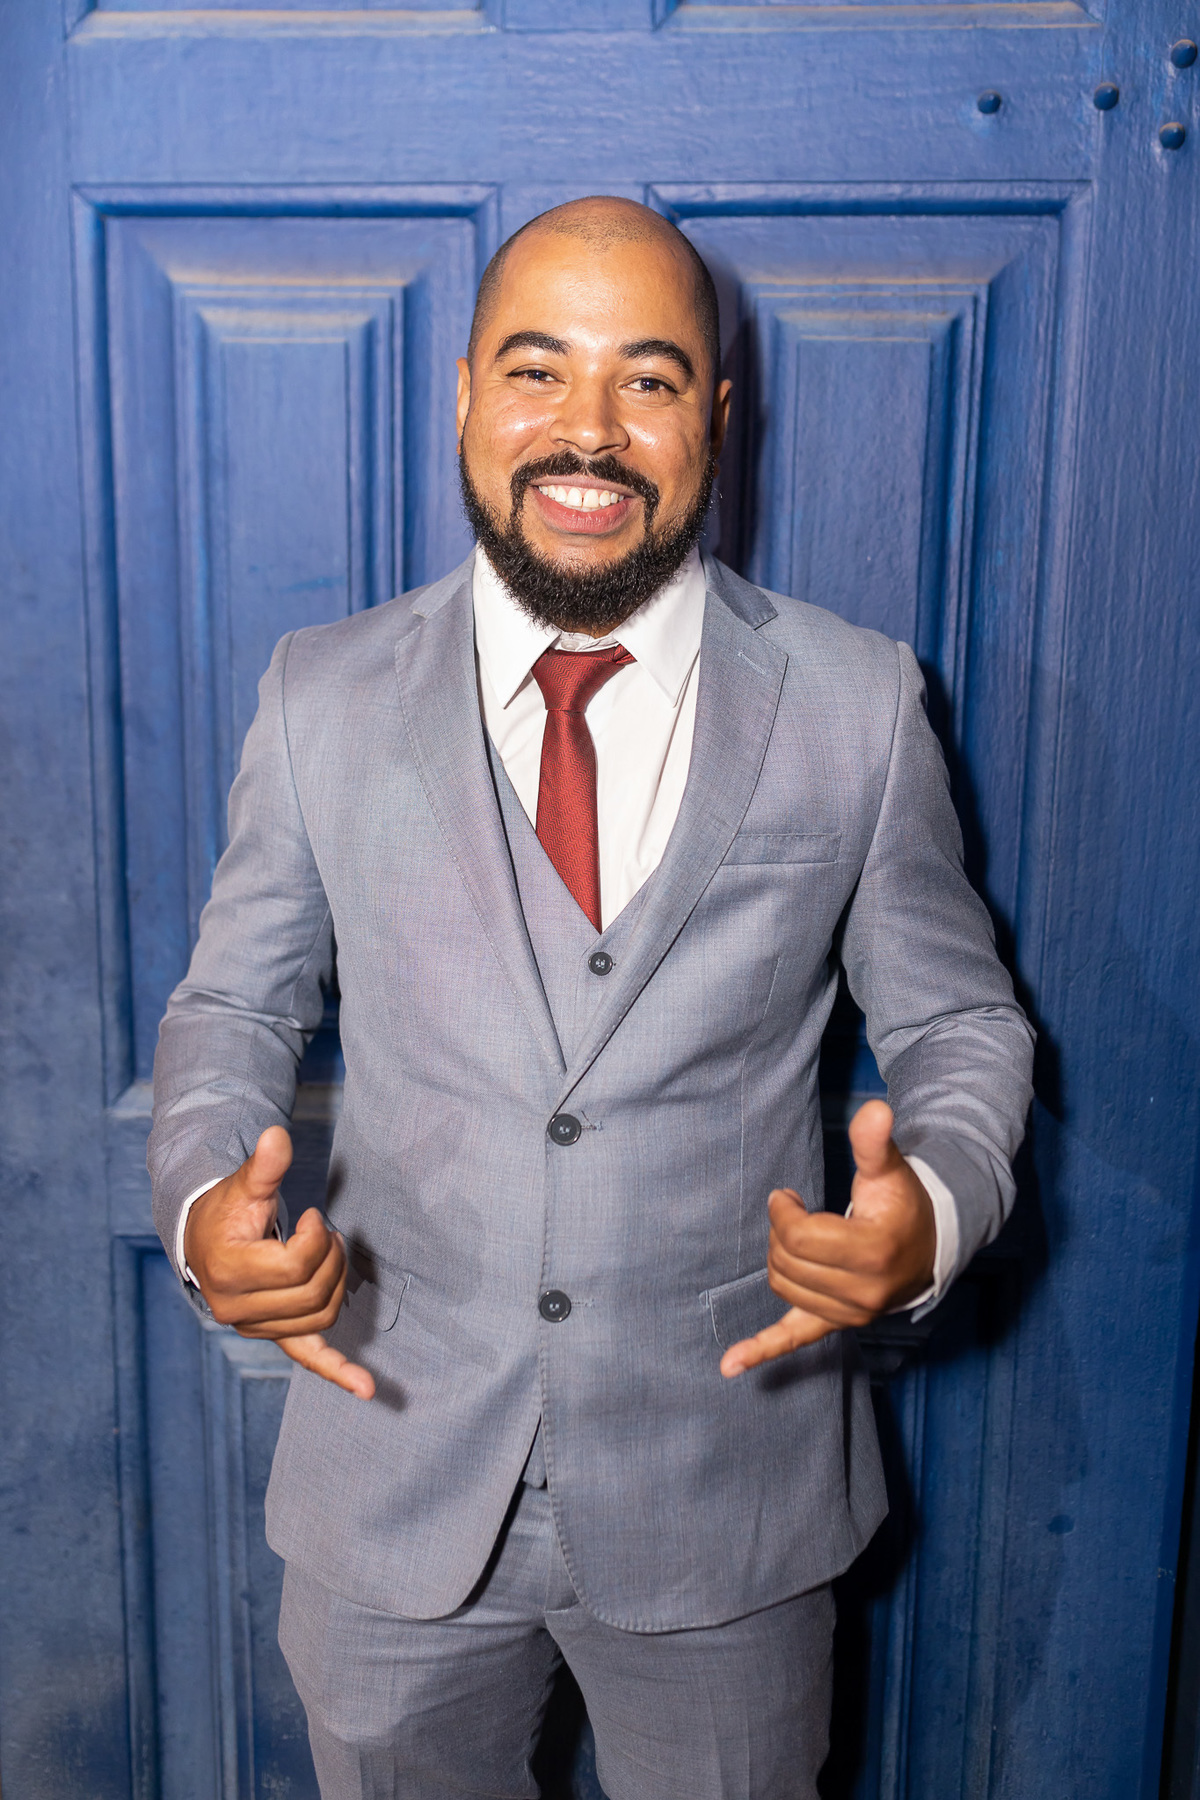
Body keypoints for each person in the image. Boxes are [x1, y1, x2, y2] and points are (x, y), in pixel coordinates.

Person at [149, 196, 1033, 1800]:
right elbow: (234, 1008)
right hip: (391, 1474)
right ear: (467, 394)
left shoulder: (857, 702)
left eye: (648, 378)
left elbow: (957, 1023)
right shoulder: (319, 695)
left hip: (732, 1494)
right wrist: (210, 1202)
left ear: (718, 415)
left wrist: (939, 1212)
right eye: (538, 370)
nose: (589, 430)